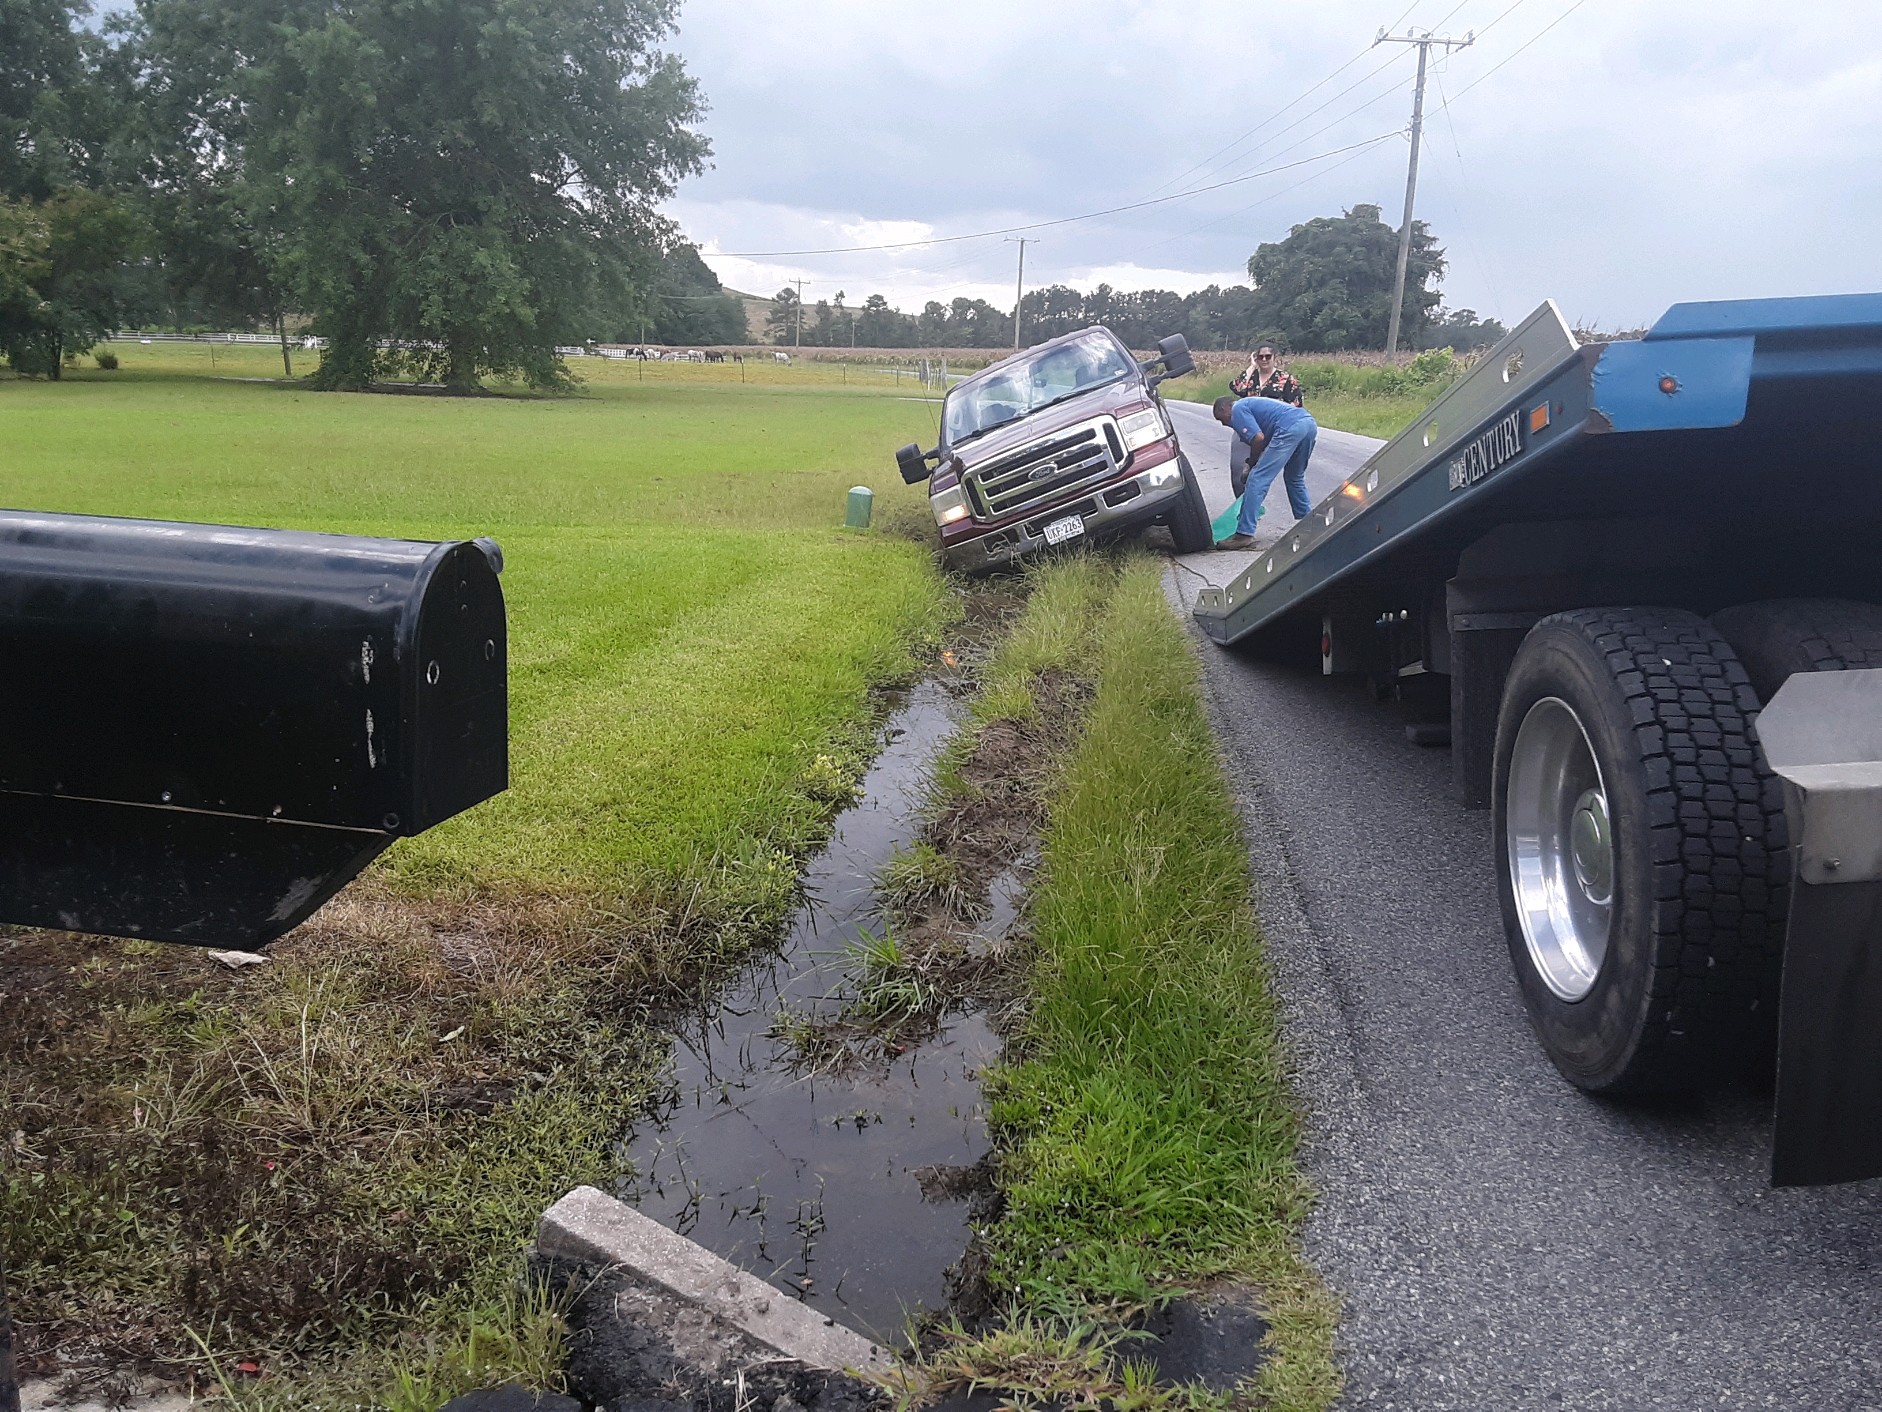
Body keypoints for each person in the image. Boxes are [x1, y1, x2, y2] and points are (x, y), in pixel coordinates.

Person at [1212, 394, 1316, 550]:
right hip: (1309, 423)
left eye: (1222, 419)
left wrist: (1252, 463)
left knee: (1257, 479)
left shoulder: (1238, 408)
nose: (1224, 424)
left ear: (1224, 409)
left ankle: (1244, 534)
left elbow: (1258, 439)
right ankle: (1309, 524)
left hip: (1290, 427)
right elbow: (1264, 440)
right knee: (1294, 477)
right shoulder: (1251, 405)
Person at [1226, 345, 1303, 495]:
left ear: (1275, 358)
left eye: (1268, 356)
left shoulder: (1286, 379)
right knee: (1238, 470)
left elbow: (1296, 407)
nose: (1264, 360)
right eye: (1260, 357)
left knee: (1261, 474)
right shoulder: (1251, 377)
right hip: (1247, 427)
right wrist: (1251, 367)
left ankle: (1253, 506)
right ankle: (1241, 504)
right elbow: (1237, 388)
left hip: (1272, 429)